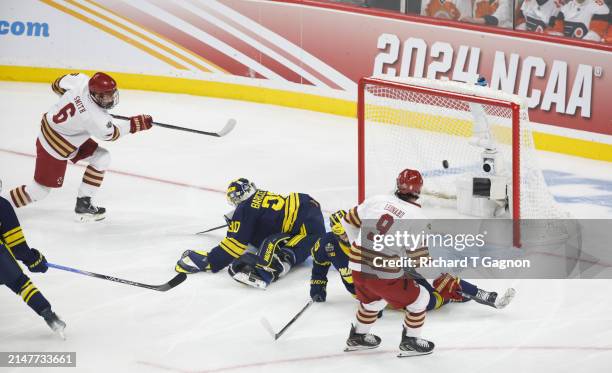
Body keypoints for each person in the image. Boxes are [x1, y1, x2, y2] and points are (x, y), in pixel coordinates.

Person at [5, 72, 153, 221]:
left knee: (102, 158)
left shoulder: (81, 81)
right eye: (105, 96)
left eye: (111, 94)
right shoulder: (96, 119)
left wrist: (73, 102)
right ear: (94, 94)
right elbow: (112, 134)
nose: (110, 99)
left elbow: (56, 84)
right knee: (39, 191)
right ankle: (2, 204)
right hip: (55, 146)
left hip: (62, 132)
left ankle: (83, 204)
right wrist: (135, 124)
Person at [312, 210, 516, 310]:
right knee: (426, 303)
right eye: (345, 235)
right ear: (337, 235)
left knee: (435, 275)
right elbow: (319, 264)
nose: (350, 237)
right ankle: (447, 297)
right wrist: (318, 286)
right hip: (375, 292)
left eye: (352, 232)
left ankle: (485, 295)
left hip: (391, 274)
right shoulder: (327, 244)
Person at [341, 169, 435, 357]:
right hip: (382, 273)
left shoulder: (376, 200)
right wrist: (437, 280)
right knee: (421, 298)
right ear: (419, 190)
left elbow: (347, 221)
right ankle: (411, 342)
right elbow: (420, 261)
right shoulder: (417, 217)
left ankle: (358, 337)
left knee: (373, 301)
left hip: (357, 267)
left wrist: (355, 245)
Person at [176, 178, 326, 289]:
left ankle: (272, 268)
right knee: (306, 241)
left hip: (302, 223)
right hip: (307, 206)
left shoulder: (244, 209)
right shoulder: (260, 194)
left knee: (285, 250)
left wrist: (210, 261)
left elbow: (234, 245)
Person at [0, 179, 66, 338]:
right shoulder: (2, 205)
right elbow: (18, 248)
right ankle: (49, 316)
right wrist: (35, 261)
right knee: (21, 284)